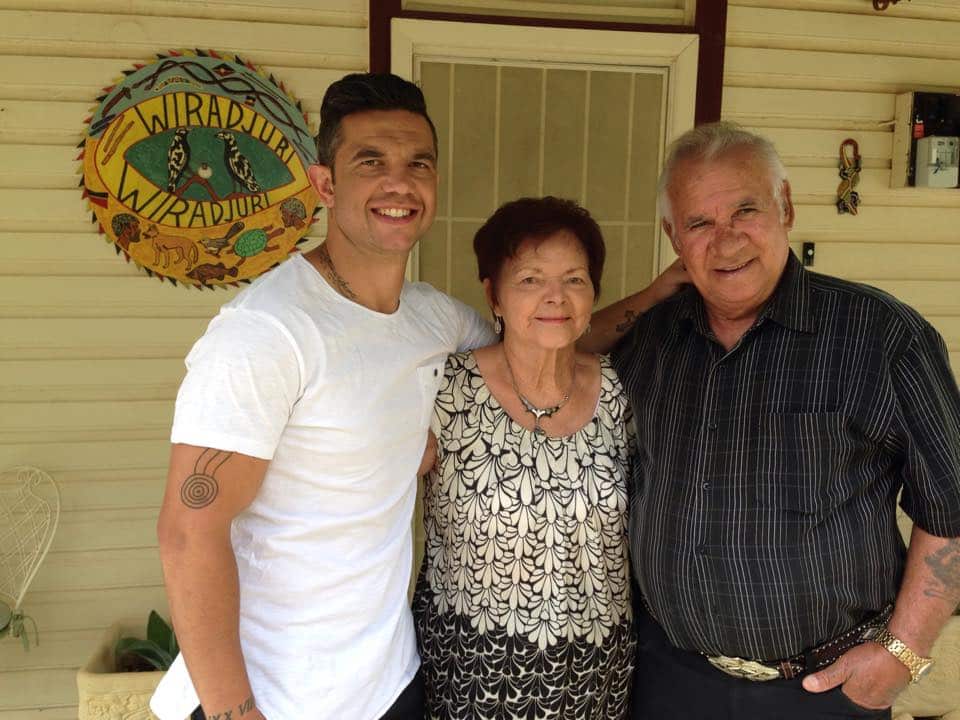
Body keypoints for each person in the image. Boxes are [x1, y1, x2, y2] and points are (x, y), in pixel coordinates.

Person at [151, 72, 683, 720]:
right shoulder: (267, 331)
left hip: (391, 685)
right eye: (370, 162)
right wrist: (236, 713)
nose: (398, 182)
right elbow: (188, 534)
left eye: (418, 163)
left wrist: (658, 294)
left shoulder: (433, 323)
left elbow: (547, 334)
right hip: (276, 697)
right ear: (326, 184)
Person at [611, 121, 960, 719]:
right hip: (669, 676)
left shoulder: (879, 337)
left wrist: (902, 655)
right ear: (674, 235)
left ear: (786, 207)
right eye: (699, 222)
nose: (725, 241)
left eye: (745, 210)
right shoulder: (650, 342)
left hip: (824, 689)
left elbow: (951, 507)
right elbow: (559, 352)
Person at [413, 196, 637, 720]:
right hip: (472, 671)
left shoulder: (620, 389)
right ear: (493, 294)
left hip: (597, 674)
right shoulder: (446, 389)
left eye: (575, 279)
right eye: (531, 279)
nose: (555, 297)